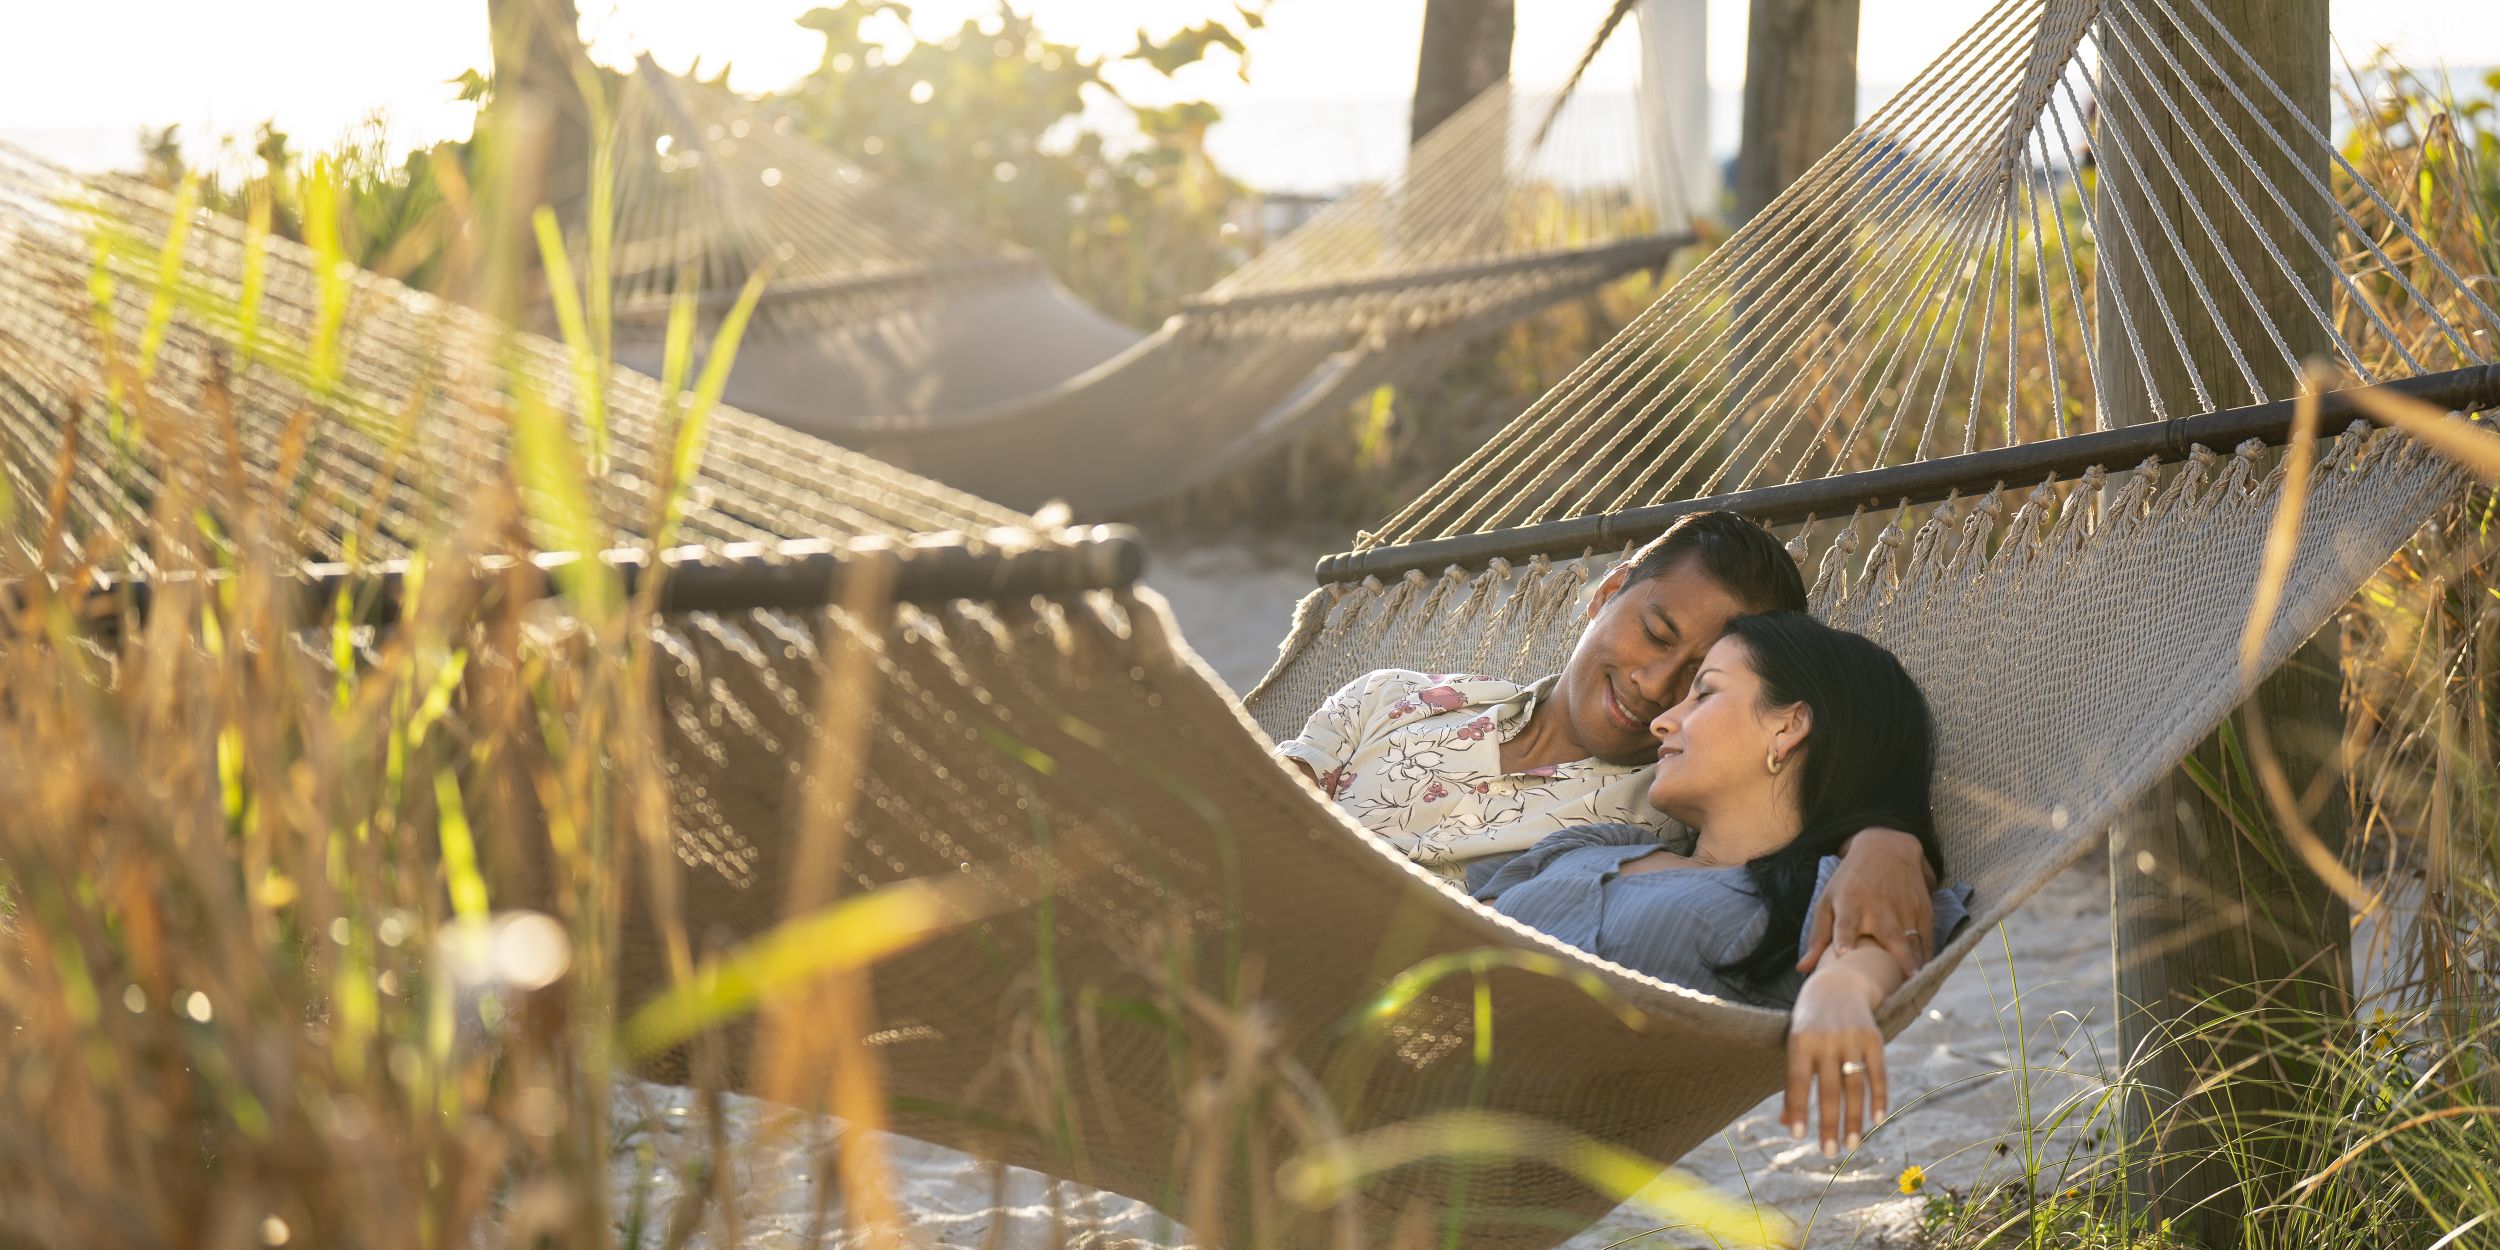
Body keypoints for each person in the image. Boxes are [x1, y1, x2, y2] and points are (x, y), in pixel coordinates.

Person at [1275, 511, 1939, 978]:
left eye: (1699, 681)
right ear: (1609, 592)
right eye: (1655, 633)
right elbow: (1255, 802)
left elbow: (1804, 809)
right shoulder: (1389, 698)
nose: (1655, 685)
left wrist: (1886, 841)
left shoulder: (1665, 813)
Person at [1473, 612, 1970, 1157]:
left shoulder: (1824, 893)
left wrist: (1841, 992)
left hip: (1517, 1133)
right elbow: (1451, 930)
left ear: (1787, 727)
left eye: (1704, 693)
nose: (1662, 721)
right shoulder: (1596, 842)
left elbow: (1868, 947)